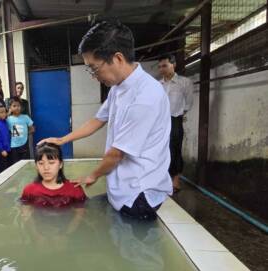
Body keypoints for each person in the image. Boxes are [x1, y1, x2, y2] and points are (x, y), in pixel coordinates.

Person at [40, 18, 172, 221]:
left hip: (139, 193)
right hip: (123, 184)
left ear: (118, 59)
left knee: (128, 245)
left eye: (94, 68)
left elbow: (116, 154)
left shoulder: (146, 96)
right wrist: (63, 140)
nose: (93, 76)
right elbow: (97, 120)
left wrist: (93, 175)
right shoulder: (118, 88)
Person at [158, 55, 194, 192]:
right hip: (159, 121)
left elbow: (189, 103)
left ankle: (176, 180)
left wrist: (179, 114)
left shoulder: (184, 82)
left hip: (174, 119)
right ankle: (163, 180)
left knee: (175, 149)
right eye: (160, 66)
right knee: (160, 150)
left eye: (165, 66)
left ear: (173, 65)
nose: (162, 69)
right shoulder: (157, 84)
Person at [21, 143, 87, 207]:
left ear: (60, 164)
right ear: (36, 166)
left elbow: (80, 215)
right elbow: (26, 214)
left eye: (51, 163)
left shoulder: (75, 189)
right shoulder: (29, 190)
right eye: (41, 163)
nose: (46, 168)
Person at [7, 96, 34, 164]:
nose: (17, 108)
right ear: (10, 107)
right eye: (14, 106)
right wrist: (8, 113)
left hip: (24, 145)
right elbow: (7, 131)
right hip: (13, 145)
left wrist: (25, 134)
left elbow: (32, 129)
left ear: (21, 107)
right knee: (15, 164)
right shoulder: (8, 119)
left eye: (18, 105)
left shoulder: (25, 117)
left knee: (25, 163)